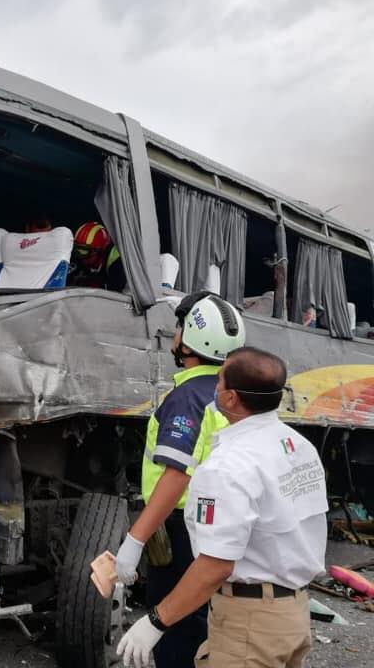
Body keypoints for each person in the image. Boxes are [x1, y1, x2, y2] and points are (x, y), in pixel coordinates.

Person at [117, 347, 328, 668]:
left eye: (218, 381)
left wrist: (156, 621)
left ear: (230, 398)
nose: (213, 387)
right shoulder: (299, 446)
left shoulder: (227, 466)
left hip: (249, 624)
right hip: (292, 615)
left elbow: (216, 566)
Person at [114, 292, 246, 668]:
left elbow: (176, 475)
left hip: (180, 527)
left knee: (174, 627)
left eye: (179, 327)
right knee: (203, 621)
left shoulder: (186, 397)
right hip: (215, 524)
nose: (173, 334)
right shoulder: (228, 396)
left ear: (189, 341)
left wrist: (135, 540)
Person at [69, 221, 125, 291]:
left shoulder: (117, 263)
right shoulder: (81, 259)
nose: (80, 256)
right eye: (77, 250)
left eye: (84, 251)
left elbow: (116, 293)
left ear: (98, 250)